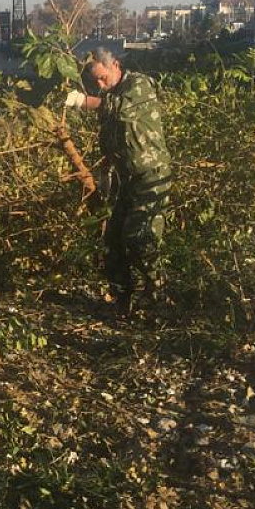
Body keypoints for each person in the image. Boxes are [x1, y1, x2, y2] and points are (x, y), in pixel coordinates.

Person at [64, 47, 172, 316]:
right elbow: (110, 140)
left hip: (151, 176)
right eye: (95, 81)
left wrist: (82, 101)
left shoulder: (139, 85)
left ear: (115, 64)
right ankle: (123, 301)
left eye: (103, 77)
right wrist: (105, 172)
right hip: (126, 179)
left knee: (139, 237)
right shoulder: (109, 94)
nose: (100, 85)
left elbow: (121, 109)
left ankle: (158, 298)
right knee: (112, 240)